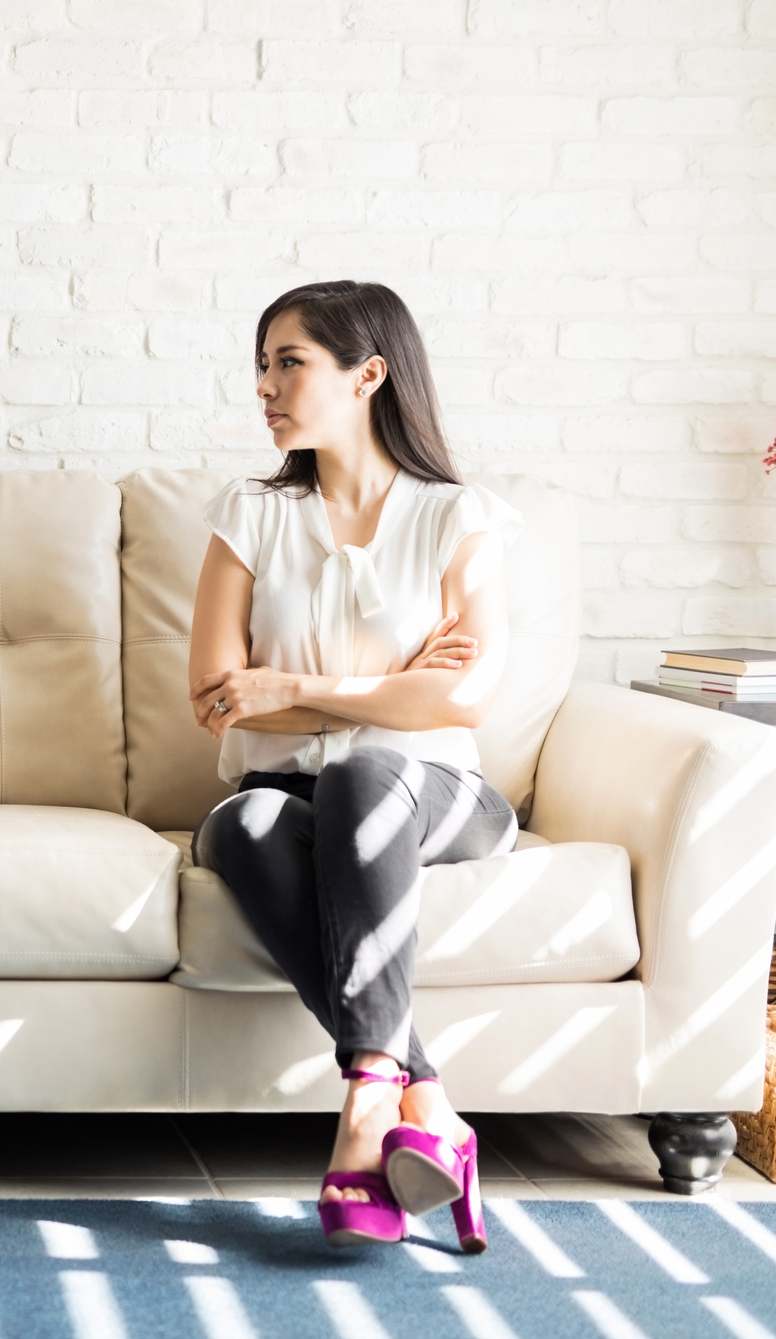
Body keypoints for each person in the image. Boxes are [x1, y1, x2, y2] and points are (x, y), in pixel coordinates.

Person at [186, 280, 518, 1253]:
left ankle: (368, 1102)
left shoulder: (458, 518)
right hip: (281, 792)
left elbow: (458, 703)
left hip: (433, 791)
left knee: (367, 778)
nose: (265, 386)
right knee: (240, 825)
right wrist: (388, 684)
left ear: (367, 374)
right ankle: (432, 1108)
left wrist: (283, 683)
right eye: (262, 364)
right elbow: (213, 692)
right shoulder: (248, 513)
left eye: (289, 362)